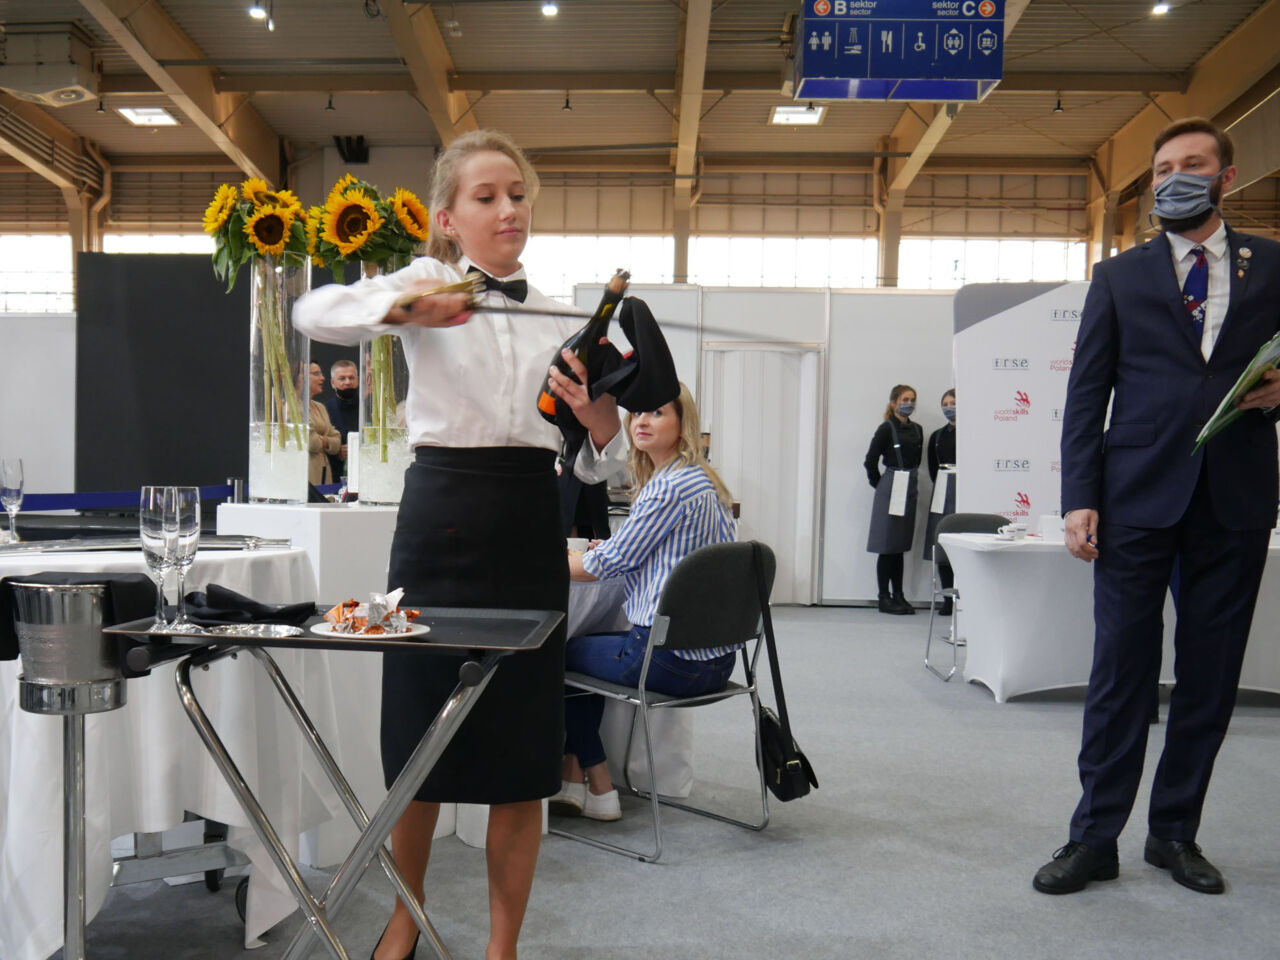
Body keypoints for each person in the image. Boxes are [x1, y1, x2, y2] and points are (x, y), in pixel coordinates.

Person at [294, 129, 626, 960]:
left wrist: (597, 424)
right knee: (417, 739)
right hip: (438, 520)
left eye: (516, 194)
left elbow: (598, 457)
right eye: (487, 197)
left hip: (528, 523)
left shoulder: (567, 318)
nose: (508, 209)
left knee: (522, 749)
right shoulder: (426, 279)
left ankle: (502, 946)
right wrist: (406, 307)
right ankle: (405, 917)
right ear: (447, 217)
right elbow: (316, 313)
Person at [1034, 117, 1280, 897]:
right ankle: (1093, 837)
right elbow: (1086, 396)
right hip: (1135, 497)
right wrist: (1079, 498)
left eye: (1194, 163)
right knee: (1121, 674)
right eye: (1166, 165)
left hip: (1234, 497)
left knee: (1208, 679)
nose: (1178, 175)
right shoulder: (1121, 276)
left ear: (1225, 177)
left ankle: (1174, 834)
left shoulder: (1273, 265)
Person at [553, 382, 737, 820]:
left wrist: (548, 561)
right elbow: (656, 555)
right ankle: (574, 781)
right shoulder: (701, 481)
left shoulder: (668, 487)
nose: (641, 422)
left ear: (682, 423)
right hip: (718, 661)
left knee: (556, 654)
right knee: (592, 642)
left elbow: (605, 566)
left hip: (669, 661)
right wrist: (603, 553)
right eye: (637, 414)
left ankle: (597, 784)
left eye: (656, 413)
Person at [864, 384, 922, 615]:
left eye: (912, 399)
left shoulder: (918, 430)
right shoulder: (886, 429)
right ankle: (884, 597)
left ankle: (899, 594)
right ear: (893, 403)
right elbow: (870, 461)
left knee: (900, 545)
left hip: (910, 484)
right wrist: (881, 485)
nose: (909, 403)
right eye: (905, 399)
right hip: (892, 484)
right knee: (887, 544)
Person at [923, 389, 957, 615]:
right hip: (942, 487)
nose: (948, 407)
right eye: (945, 404)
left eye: (953, 403)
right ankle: (947, 598)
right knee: (942, 541)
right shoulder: (937, 435)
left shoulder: (972, 431)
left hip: (963, 485)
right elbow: (932, 467)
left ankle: (961, 598)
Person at [324, 358, 360, 480]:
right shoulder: (325, 409)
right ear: (333, 383)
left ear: (358, 380)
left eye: (351, 378)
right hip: (336, 476)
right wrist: (336, 453)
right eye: (342, 378)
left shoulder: (369, 409)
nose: (348, 382)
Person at [307, 362, 342, 486]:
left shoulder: (320, 407)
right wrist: (327, 440)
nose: (322, 378)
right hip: (308, 475)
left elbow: (337, 441)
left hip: (325, 476)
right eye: (316, 374)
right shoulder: (294, 408)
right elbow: (312, 443)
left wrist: (323, 440)